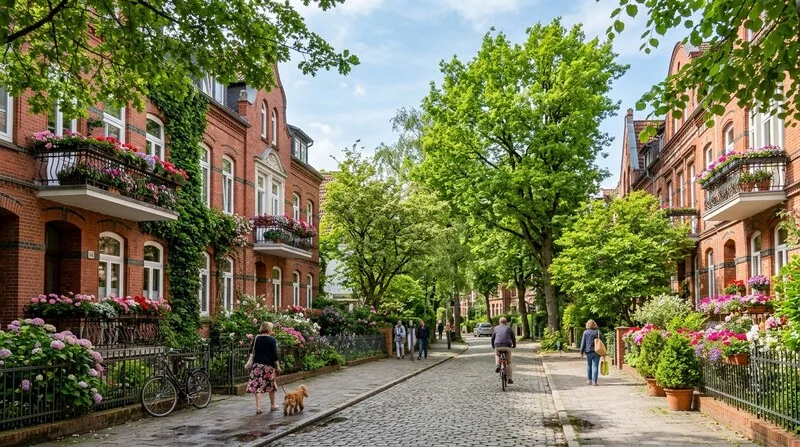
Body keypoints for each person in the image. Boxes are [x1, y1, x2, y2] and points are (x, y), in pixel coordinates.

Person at [246, 322, 281, 414]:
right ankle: (273, 405)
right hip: (268, 366)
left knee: (258, 386)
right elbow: (274, 355)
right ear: (269, 329)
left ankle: (258, 407)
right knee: (271, 385)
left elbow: (251, 351)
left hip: (257, 366)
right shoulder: (272, 340)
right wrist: (277, 366)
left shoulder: (256, 338)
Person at [491, 317, 516, 384]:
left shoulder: (495, 328)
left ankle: (498, 365)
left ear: (499, 322)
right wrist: (514, 345)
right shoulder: (509, 328)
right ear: (506, 322)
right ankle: (510, 378)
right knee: (509, 362)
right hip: (507, 346)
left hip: (498, 345)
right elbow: (513, 338)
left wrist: (493, 346)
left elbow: (492, 338)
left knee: (497, 354)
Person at [580, 319, 604, 386]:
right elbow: (602, 342)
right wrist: (603, 352)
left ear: (587, 325)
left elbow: (583, 343)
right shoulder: (598, 332)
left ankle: (589, 380)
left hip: (588, 351)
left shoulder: (585, 332)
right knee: (595, 366)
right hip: (597, 351)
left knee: (589, 365)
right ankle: (595, 381)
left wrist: (581, 351)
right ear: (595, 324)